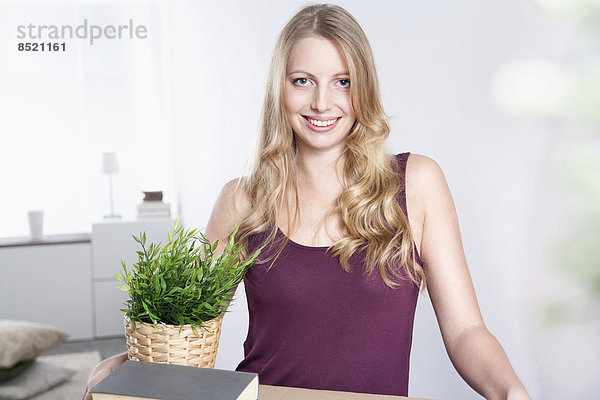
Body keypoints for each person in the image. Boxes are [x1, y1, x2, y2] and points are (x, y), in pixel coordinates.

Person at [84, 4, 531, 399]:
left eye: (342, 82)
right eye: (303, 81)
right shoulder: (242, 200)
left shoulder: (416, 185)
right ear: (280, 89)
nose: (321, 102)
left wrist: (510, 390)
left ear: (364, 89)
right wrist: (130, 363)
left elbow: (466, 331)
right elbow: (187, 330)